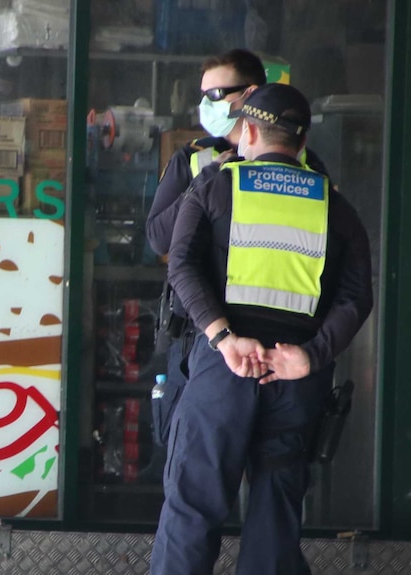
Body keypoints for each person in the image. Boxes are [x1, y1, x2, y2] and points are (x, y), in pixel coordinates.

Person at [148, 83, 373, 574]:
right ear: (302, 141)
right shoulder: (336, 207)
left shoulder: (213, 186)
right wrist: (310, 356)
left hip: (221, 370)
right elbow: (357, 297)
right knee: (275, 520)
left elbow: (180, 265)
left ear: (249, 129)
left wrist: (225, 337)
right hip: (295, 380)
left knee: (192, 510)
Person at [145, 49, 328, 450]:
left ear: (249, 94)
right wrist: (208, 182)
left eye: (216, 94)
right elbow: (159, 239)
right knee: (193, 470)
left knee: (274, 478)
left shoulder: (304, 165)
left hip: (283, 347)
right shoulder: (195, 160)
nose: (205, 105)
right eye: (203, 95)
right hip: (205, 339)